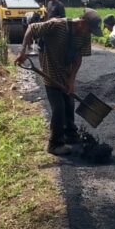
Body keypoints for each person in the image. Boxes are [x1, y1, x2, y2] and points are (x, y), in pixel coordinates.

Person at [15, 9, 103, 155]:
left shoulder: (84, 36)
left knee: (69, 103)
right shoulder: (56, 25)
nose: (90, 33)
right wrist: (22, 51)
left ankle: (70, 135)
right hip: (50, 70)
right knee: (59, 108)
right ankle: (54, 144)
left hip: (66, 72)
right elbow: (32, 28)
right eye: (89, 29)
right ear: (81, 23)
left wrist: (71, 80)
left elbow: (78, 58)